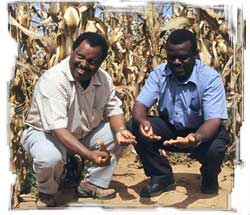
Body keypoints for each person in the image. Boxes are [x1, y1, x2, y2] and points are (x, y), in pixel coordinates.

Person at [21, 32, 136, 207]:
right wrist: (90, 155)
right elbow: (58, 130)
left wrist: (121, 131)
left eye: (92, 62)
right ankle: (46, 192)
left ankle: (92, 184)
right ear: (72, 51)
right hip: (46, 134)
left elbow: (114, 109)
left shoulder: (103, 79)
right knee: (49, 158)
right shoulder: (54, 80)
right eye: (80, 57)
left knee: (117, 132)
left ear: (100, 62)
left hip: (81, 132)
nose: (83, 64)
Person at [128, 29, 230, 198]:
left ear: (195, 54)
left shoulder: (210, 78)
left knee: (217, 144)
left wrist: (194, 138)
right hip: (170, 129)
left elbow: (213, 120)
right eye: (171, 57)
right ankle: (161, 176)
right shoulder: (160, 73)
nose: (176, 62)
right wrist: (143, 123)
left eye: (183, 57)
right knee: (133, 125)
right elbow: (140, 104)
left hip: (200, 132)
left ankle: (209, 176)